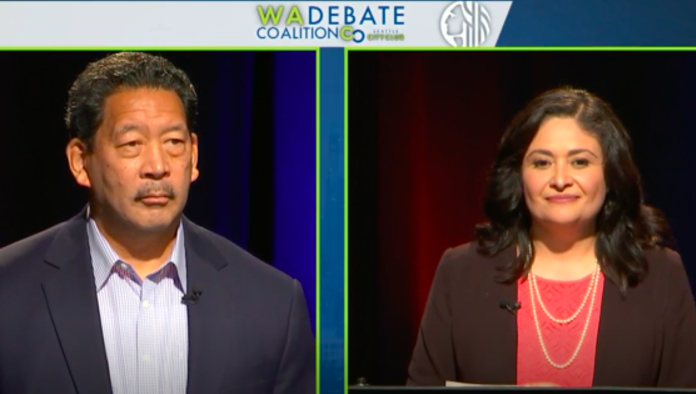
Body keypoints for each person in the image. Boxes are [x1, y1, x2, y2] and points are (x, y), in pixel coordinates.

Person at [0, 52, 315, 394]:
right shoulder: (9, 290)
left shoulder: (273, 304)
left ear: (193, 156)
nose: (157, 165)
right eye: (132, 144)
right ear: (80, 161)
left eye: (173, 143)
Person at [406, 87, 696, 388]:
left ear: (610, 174)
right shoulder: (461, 272)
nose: (560, 180)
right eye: (541, 163)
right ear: (518, 175)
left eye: (579, 162)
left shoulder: (660, 274)